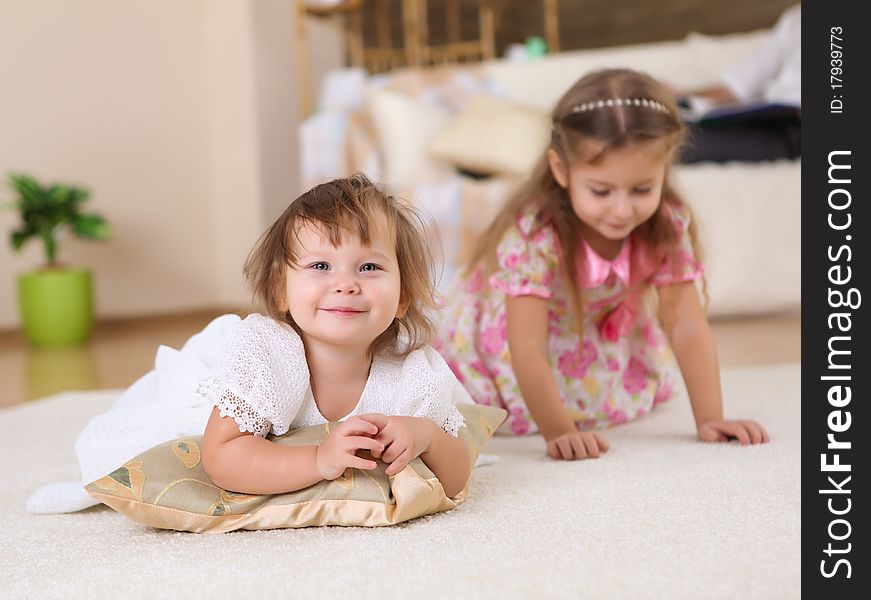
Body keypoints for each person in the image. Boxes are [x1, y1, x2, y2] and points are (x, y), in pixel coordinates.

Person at [28, 174, 472, 514]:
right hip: (217, 386)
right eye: (320, 265)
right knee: (157, 436)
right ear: (281, 291)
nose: (345, 285)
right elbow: (222, 457)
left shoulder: (411, 371)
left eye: (370, 267)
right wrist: (319, 459)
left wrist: (427, 435)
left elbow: (457, 479)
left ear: (404, 297)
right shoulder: (267, 354)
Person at [435, 68, 769, 461]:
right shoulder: (535, 234)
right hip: (516, 346)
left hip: (588, 339)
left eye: (642, 189)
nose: (622, 210)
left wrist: (710, 417)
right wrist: (559, 432)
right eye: (601, 190)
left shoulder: (664, 225)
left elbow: (687, 325)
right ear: (562, 170)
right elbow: (525, 346)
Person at [677, 3, 801, 163]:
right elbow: (736, 86)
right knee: (666, 127)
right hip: (770, 116)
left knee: (681, 144)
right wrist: (679, 95)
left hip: (795, 131)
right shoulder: (795, 19)